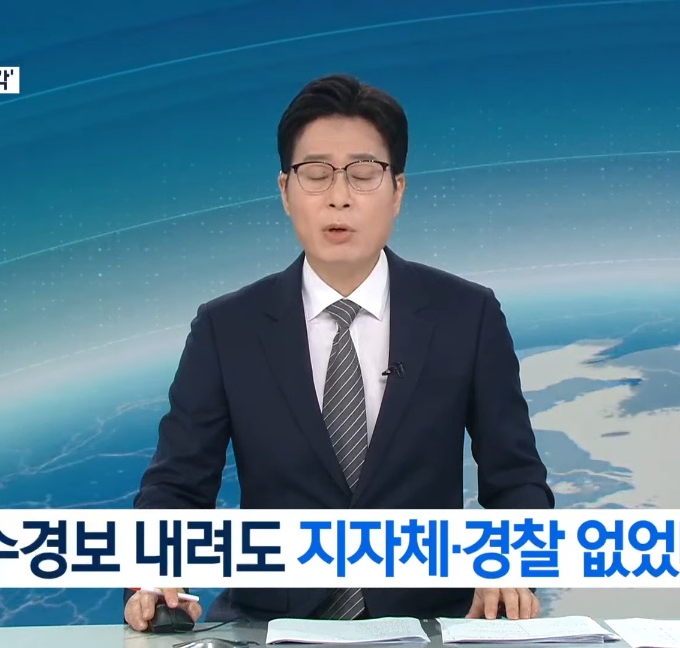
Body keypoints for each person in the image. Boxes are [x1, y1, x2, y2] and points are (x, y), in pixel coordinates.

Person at [123, 73, 555, 631]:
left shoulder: (466, 315)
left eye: (363, 172)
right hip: (266, 627)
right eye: (316, 173)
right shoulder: (226, 328)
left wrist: (511, 566)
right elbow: (178, 486)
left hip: (430, 624)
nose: (339, 195)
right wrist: (156, 577)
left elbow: (515, 477)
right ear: (285, 191)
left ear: (397, 191)